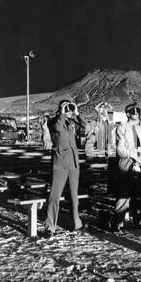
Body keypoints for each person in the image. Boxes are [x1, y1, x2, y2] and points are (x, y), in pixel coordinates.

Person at [43, 99, 86, 237]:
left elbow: (85, 128)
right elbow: (58, 128)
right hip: (60, 162)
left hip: (73, 162)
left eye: (70, 108)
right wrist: (62, 112)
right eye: (66, 108)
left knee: (74, 195)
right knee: (54, 194)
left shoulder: (72, 122)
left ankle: (76, 223)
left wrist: (77, 114)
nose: (69, 110)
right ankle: (50, 226)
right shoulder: (53, 121)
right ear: (61, 108)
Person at [111, 103, 141, 232]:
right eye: (133, 111)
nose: (136, 113)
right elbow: (121, 149)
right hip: (127, 162)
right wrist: (134, 157)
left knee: (140, 193)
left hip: (139, 163)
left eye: (137, 111)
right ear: (127, 114)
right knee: (124, 193)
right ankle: (118, 223)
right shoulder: (121, 128)